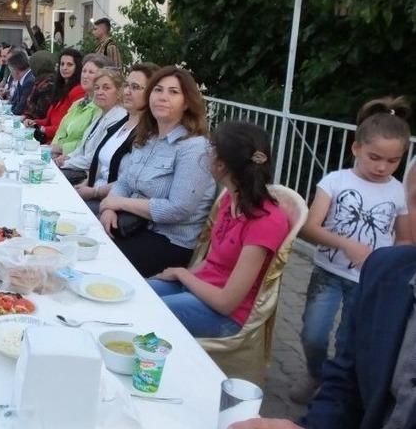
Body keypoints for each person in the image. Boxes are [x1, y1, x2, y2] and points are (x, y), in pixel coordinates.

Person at [290, 97, 412, 403]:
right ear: (356, 148)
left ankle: (332, 392)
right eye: (375, 157)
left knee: (348, 341)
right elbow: (308, 228)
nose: (382, 167)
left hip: (368, 281)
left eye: (393, 161)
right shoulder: (335, 181)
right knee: (313, 334)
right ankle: (316, 373)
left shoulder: (399, 192)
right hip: (327, 274)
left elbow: (404, 241)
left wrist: (389, 273)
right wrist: (347, 245)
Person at [230, 244, 416, 429]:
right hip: (333, 271)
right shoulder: (388, 269)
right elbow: (346, 384)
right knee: (315, 334)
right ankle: (314, 374)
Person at [148, 121, 289, 337]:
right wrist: (183, 277)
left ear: (221, 164)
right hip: (201, 288)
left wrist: (181, 274)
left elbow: (226, 302)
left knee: (148, 313)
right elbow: (214, 261)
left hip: (227, 315)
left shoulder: (265, 221)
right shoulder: (231, 200)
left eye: (211, 148)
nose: (206, 154)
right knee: (139, 294)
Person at [99, 66, 216, 278]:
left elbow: (178, 209)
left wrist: (119, 203)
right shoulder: (148, 137)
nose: (162, 97)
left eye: (173, 92)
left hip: (169, 241)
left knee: (100, 261)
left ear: (187, 103)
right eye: (158, 90)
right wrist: (109, 209)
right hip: (131, 226)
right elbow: (124, 182)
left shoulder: (195, 148)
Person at [76, 62, 160, 212]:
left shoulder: (149, 133)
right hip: (94, 194)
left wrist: (94, 192)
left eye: (135, 87)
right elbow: (99, 165)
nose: (127, 91)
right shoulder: (121, 123)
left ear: (152, 93)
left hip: (112, 204)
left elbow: (130, 182)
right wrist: (85, 185)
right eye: (126, 85)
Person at [55, 54, 113, 185]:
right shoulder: (78, 103)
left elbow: (86, 144)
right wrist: (52, 149)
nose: (85, 75)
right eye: (84, 71)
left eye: (91, 72)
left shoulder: (101, 109)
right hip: (65, 157)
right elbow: (61, 131)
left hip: (80, 169)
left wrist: (61, 151)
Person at [24, 48, 84, 144]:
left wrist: (43, 129)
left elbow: (69, 126)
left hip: (59, 143)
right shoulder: (60, 87)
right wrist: (34, 122)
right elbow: (49, 120)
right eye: (62, 64)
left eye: (69, 64)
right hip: (48, 138)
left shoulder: (78, 90)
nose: (64, 68)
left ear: (77, 67)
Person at [22, 50, 57, 120]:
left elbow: (41, 112)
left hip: (40, 122)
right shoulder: (41, 80)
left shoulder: (49, 84)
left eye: (32, 66)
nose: (31, 69)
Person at [7, 50, 34, 116]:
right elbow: (14, 101)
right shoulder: (22, 78)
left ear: (16, 70)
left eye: (11, 71)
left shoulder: (29, 81)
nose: (11, 74)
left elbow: (20, 109)